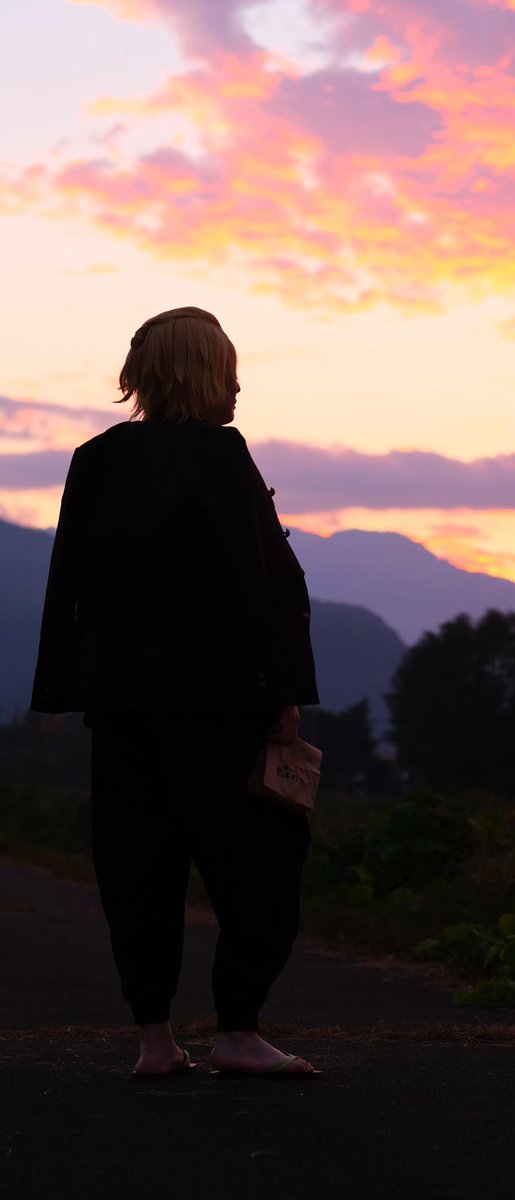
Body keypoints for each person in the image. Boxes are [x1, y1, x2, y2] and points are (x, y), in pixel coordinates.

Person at [30, 306, 321, 1078]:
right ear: (202, 373)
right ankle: (238, 1031)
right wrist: (283, 691)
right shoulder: (220, 455)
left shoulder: (96, 459)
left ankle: (155, 1041)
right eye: (228, 371)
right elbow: (256, 584)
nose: (237, 387)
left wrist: (69, 685)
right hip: (221, 704)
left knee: (138, 869)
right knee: (262, 863)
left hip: (122, 704)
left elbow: (70, 582)